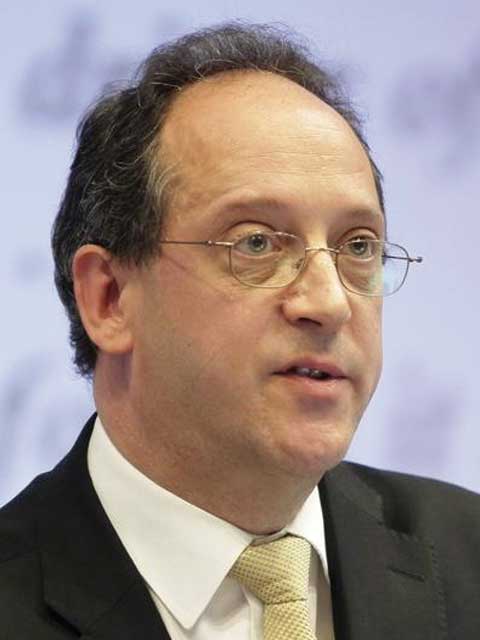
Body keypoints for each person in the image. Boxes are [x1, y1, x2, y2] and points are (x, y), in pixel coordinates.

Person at [1, 22, 479, 640]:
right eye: (256, 243)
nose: (329, 302)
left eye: (358, 246)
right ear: (110, 298)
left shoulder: (467, 561)